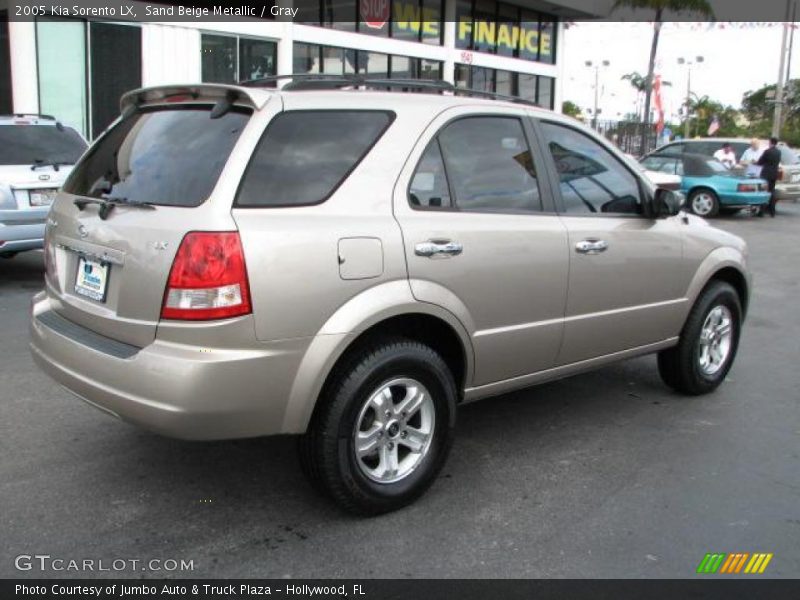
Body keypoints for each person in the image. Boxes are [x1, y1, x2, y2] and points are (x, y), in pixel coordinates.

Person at [756, 137, 782, 217]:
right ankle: (772, 211)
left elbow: (760, 162)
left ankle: (762, 211)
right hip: (774, 174)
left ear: (770, 142)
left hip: (766, 174)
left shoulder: (767, 152)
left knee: (764, 192)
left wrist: (756, 163)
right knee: (772, 192)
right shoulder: (778, 152)